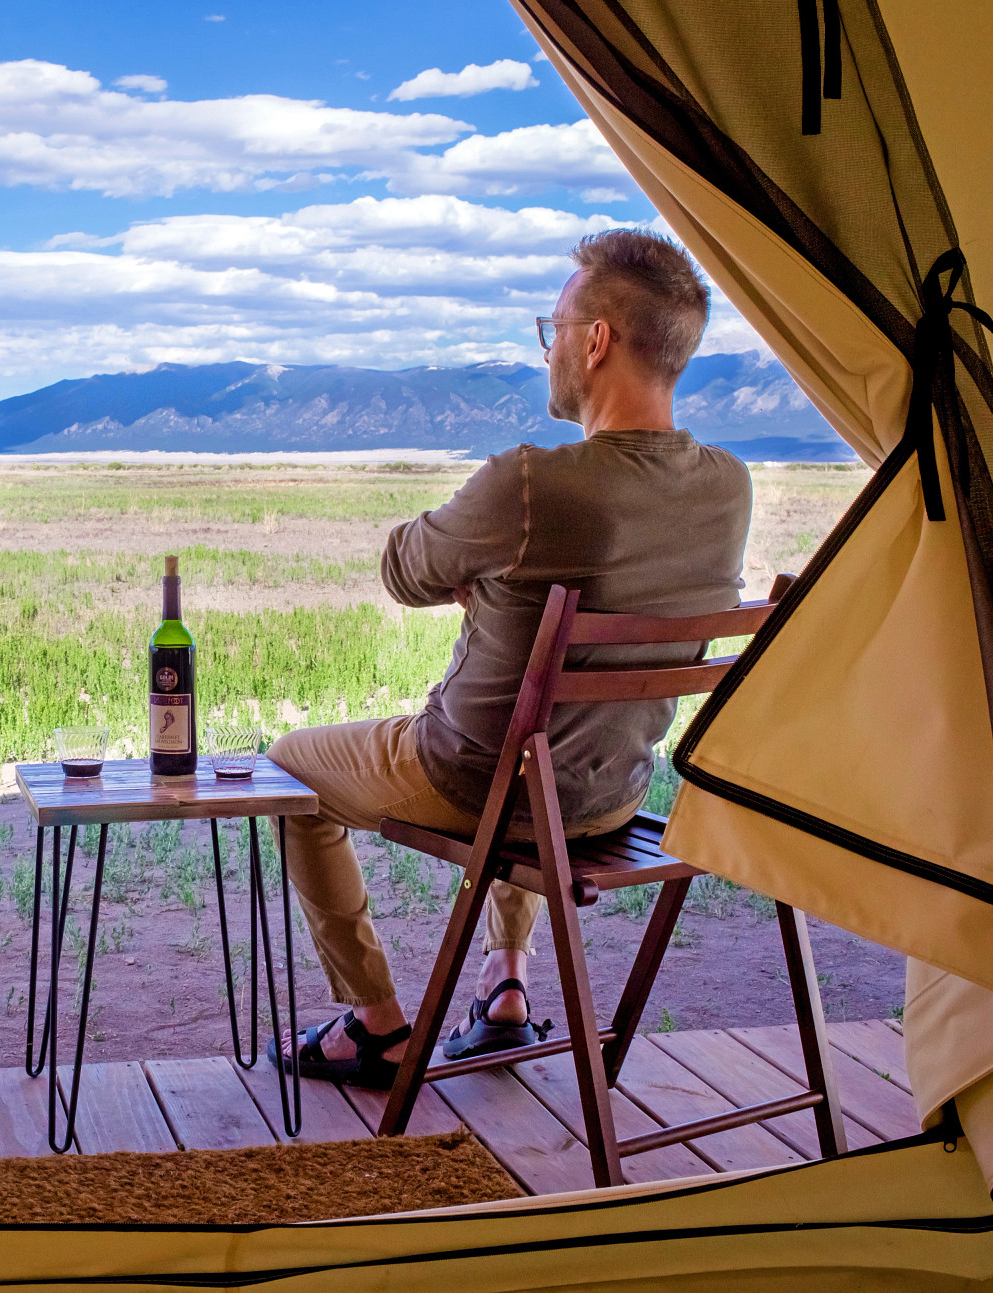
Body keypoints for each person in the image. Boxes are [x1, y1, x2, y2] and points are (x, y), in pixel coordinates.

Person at [271, 229, 752, 1087]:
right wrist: (509, 591)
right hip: (610, 793)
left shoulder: (530, 481)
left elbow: (403, 567)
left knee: (290, 770)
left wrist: (487, 580)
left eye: (554, 326)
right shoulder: (729, 485)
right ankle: (506, 985)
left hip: (476, 778)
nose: (551, 346)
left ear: (596, 339)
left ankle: (376, 1021)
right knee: (541, 733)